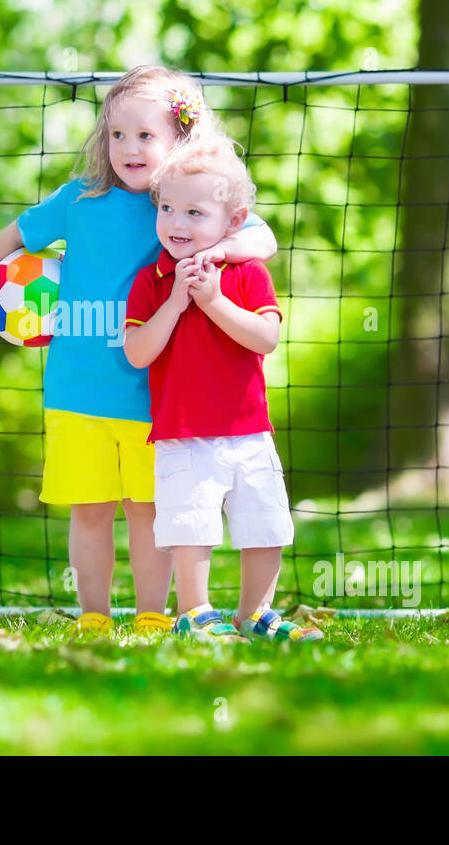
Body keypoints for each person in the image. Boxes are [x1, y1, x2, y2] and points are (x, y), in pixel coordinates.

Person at [0, 66, 278, 636]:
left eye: (146, 135)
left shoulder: (180, 205)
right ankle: (95, 618)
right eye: (117, 134)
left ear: (181, 138)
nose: (129, 147)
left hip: (153, 398)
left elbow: (262, 236)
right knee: (89, 513)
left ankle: (154, 615)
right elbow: (16, 234)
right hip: (76, 392)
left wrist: (218, 252)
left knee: (148, 513)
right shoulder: (78, 200)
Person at [123, 136, 323, 643]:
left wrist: (211, 300)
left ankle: (255, 613)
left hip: (249, 432)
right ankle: (196, 611)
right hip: (181, 435)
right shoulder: (150, 280)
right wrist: (174, 302)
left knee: (266, 523)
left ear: (233, 222)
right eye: (167, 209)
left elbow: (266, 338)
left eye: (194, 211)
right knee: (190, 528)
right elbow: (137, 353)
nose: (177, 223)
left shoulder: (248, 274)